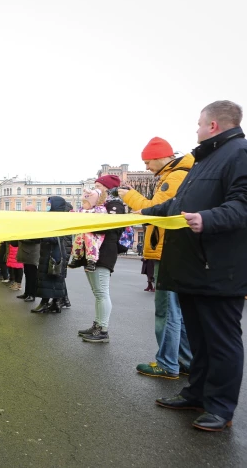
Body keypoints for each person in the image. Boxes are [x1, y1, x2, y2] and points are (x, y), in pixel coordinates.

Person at [140, 101, 247, 432]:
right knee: (199, 339)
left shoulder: (239, 153)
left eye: (199, 124)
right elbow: (177, 204)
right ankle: (197, 394)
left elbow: (242, 204)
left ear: (213, 125)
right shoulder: (204, 160)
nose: (196, 129)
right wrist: (141, 214)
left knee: (221, 341)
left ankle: (220, 407)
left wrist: (207, 219)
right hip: (194, 267)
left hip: (219, 268)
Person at [119, 137, 194, 379]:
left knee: (167, 310)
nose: (148, 167)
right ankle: (183, 361)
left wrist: (129, 196)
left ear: (160, 158)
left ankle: (167, 363)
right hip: (174, 249)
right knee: (178, 311)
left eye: (148, 162)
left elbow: (156, 211)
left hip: (167, 249)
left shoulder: (174, 177)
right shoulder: (179, 173)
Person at [78, 175, 125, 342]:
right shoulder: (99, 205)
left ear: (107, 188)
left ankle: (103, 329)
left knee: (101, 292)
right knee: (97, 292)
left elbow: (112, 228)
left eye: (98, 185)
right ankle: (97, 325)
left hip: (104, 251)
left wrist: (89, 224)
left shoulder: (115, 205)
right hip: (93, 251)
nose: (94, 188)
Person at [33, 197, 72, 313]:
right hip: (49, 251)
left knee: (51, 277)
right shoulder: (52, 217)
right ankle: (56, 302)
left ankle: (46, 303)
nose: (48, 205)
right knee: (51, 278)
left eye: (50, 204)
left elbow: (57, 238)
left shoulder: (60, 218)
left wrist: (41, 234)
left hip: (55, 253)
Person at [68, 188, 107, 272]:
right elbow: (77, 215)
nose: (83, 204)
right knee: (78, 238)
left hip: (95, 234)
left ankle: (91, 261)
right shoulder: (82, 209)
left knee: (90, 241)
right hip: (84, 232)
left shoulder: (100, 209)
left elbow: (99, 218)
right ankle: (76, 257)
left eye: (85, 202)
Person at [16, 205, 39, 302]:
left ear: (34, 212)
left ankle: (32, 294)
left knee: (32, 275)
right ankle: (27, 292)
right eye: (25, 210)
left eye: (28, 210)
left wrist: (21, 237)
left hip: (32, 253)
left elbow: (36, 239)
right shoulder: (26, 222)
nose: (26, 212)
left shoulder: (36, 223)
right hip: (26, 252)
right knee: (27, 273)